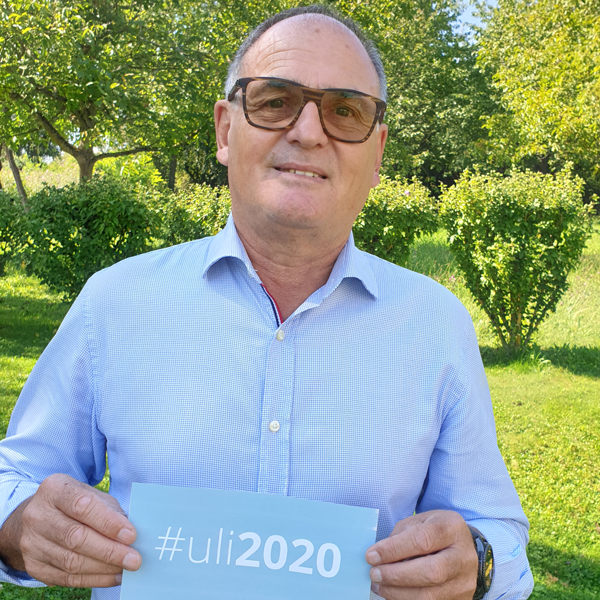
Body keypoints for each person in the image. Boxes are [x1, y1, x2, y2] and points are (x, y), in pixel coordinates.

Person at [0, 5, 534, 600]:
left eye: (345, 111)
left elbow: (497, 532)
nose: (308, 132)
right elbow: (13, 478)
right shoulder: (115, 302)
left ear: (378, 154)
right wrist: (17, 527)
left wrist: (478, 562)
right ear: (225, 130)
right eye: (275, 101)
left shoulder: (436, 324)